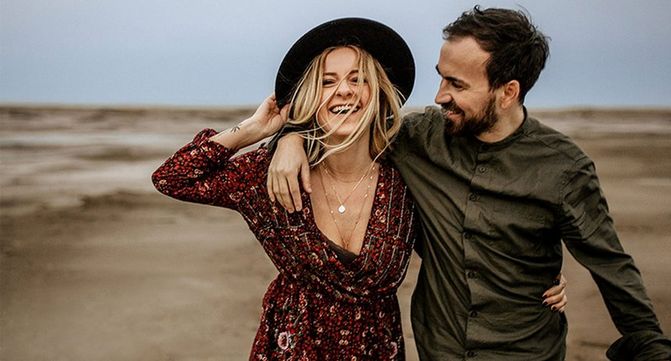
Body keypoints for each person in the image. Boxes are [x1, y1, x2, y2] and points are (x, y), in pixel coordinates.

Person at [268, 7, 671, 361]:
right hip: (439, 349)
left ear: (507, 93)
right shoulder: (416, 139)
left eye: (457, 85)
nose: (440, 95)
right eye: (442, 77)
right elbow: (346, 127)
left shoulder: (564, 169)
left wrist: (649, 348)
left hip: (526, 352)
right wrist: (291, 138)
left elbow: (613, 267)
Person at [151, 17, 569, 360]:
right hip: (289, 350)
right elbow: (172, 178)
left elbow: (463, 239)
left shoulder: (408, 170)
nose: (344, 90)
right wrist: (260, 132)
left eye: (358, 79)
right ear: (311, 95)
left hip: (378, 351)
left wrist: (533, 277)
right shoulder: (271, 174)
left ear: (378, 92)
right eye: (328, 81)